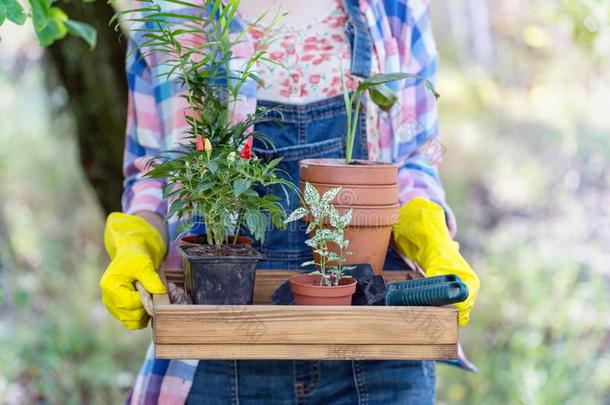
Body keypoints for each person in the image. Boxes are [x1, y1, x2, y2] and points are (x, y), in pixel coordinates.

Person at [100, 0, 480, 403]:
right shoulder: (169, 15)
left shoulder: (394, 10)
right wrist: (138, 239)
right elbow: (154, 172)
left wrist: (428, 229)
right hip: (218, 343)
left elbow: (415, 157)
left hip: (378, 344)